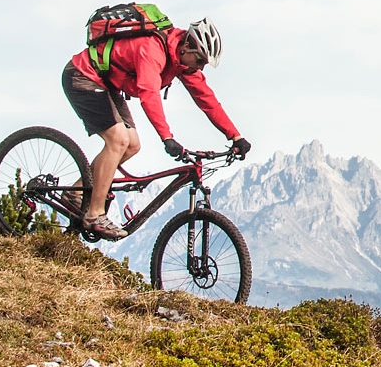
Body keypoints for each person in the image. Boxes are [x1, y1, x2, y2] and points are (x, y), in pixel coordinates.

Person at [61, 18, 249, 239]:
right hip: (82, 76)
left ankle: (75, 192)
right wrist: (166, 137)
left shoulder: (183, 62)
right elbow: (149, 94)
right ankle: (94, 214)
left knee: (132, 146)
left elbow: (206, 99)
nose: (200, 67)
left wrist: (235, 135)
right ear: (187, 46)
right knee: (118, 140)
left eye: (204, 64)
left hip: (107, 84)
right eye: (199, 60)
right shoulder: (152, 50)